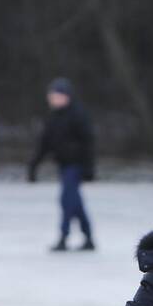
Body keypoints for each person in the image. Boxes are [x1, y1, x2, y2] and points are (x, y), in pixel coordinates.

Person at [28, 77, 96, 251]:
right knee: (75, 203)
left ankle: (64, 237)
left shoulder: (78, 115)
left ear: (66, 96)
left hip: (76, 166)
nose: (53, 99)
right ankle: (88, 236)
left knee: (67, 201)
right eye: (52, 96)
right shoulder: (53, 118)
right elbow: (45, 143)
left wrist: (89, 168)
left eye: (57, 96)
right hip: (64, 165)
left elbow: (88, 143)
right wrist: (34, 165)